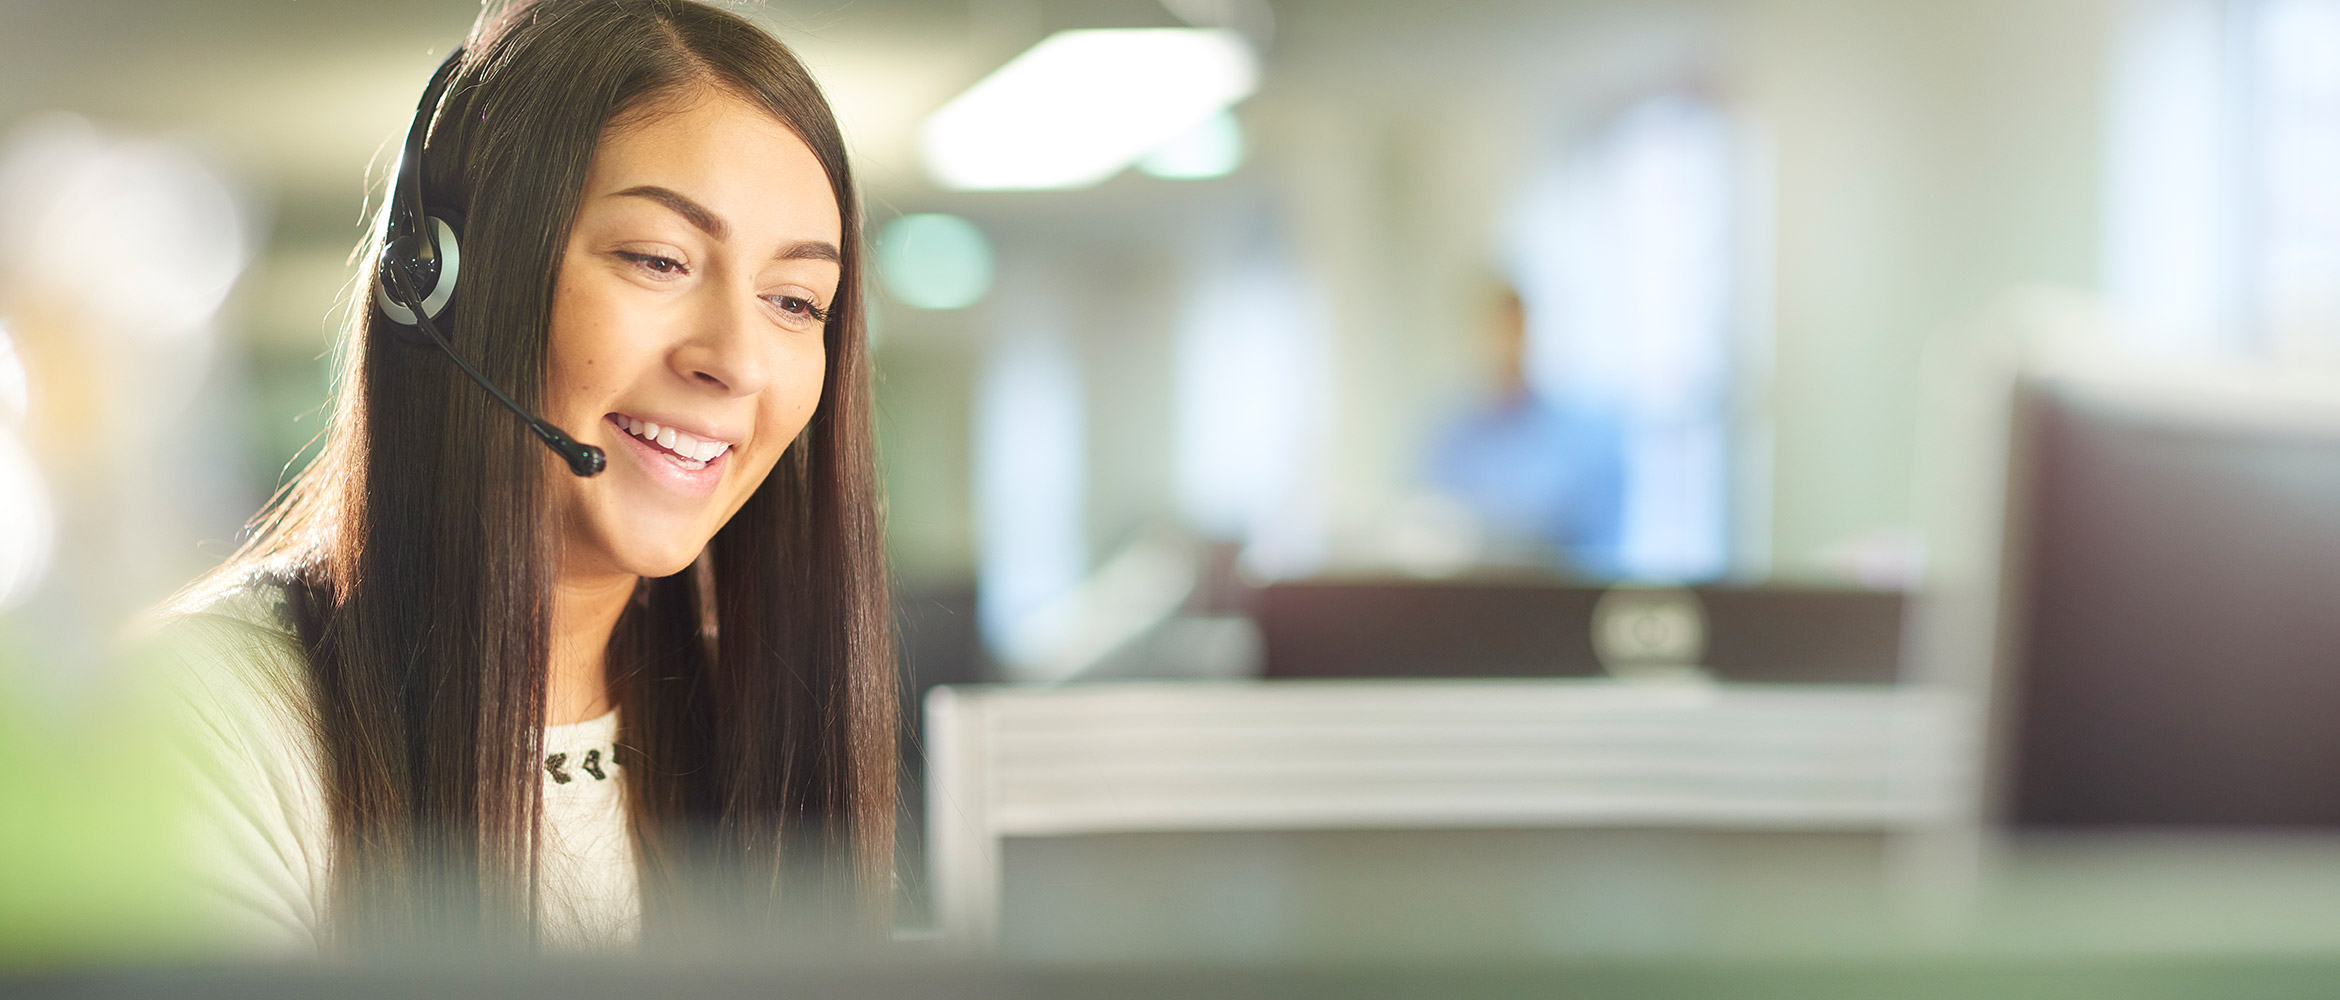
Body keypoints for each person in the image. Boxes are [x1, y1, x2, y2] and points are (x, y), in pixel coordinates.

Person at [153, 0, 894, 955]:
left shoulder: (748, 712)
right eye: (658, 260)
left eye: (796, 301)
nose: (739, 362)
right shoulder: (212, 721)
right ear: (441, 284)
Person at [1427, 285, 1625, 575]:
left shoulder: (1584, 438)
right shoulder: (1449, 438)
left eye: (1512, 329)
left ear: (1527, 332)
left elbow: (1597, 551)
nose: (1502, 343)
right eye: (1492, 331)